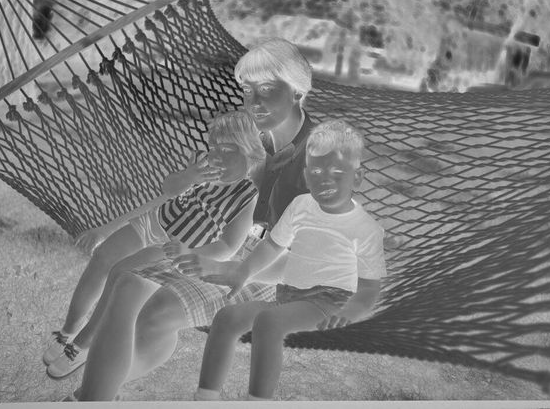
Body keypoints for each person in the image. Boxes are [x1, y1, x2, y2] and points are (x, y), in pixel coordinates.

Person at [60, 38, 317, 400]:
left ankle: (89, 396)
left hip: (259, 272)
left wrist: (225, 265)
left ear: (297, 92)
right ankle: (92, 391)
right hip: (222, 249)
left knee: (135, 291)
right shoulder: (255, 140)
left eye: (267, 89)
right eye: (248, 90)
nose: (254, 102)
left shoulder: (312, 161)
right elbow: (185, 196)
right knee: (150, 313)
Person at [45, 110, 268, 379]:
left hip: (174, 246)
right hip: (155, 223)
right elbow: (169, 189)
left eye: (228, 150)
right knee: (103, 256)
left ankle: (83, 344)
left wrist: (191, 253)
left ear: (249, 152)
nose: (217, 155)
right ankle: (68, 331)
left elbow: (229, 246)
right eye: (214, 147)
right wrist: (190, 176)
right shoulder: (202, 164)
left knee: (120, 273)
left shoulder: (247, 196)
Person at [187, 119, 387, 401]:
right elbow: (272, 245)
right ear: (306, 176)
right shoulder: (301, 206)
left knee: (268, 322)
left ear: (357, 177)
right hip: (289, 297)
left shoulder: (365, 229)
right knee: (227, 317)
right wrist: (244, 271)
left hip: (330, 302)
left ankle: (258, 401)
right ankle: (205, 398)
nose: (324, 179)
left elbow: (369, 287)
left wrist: (353, 310)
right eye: (316, 171)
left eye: (336, 172)